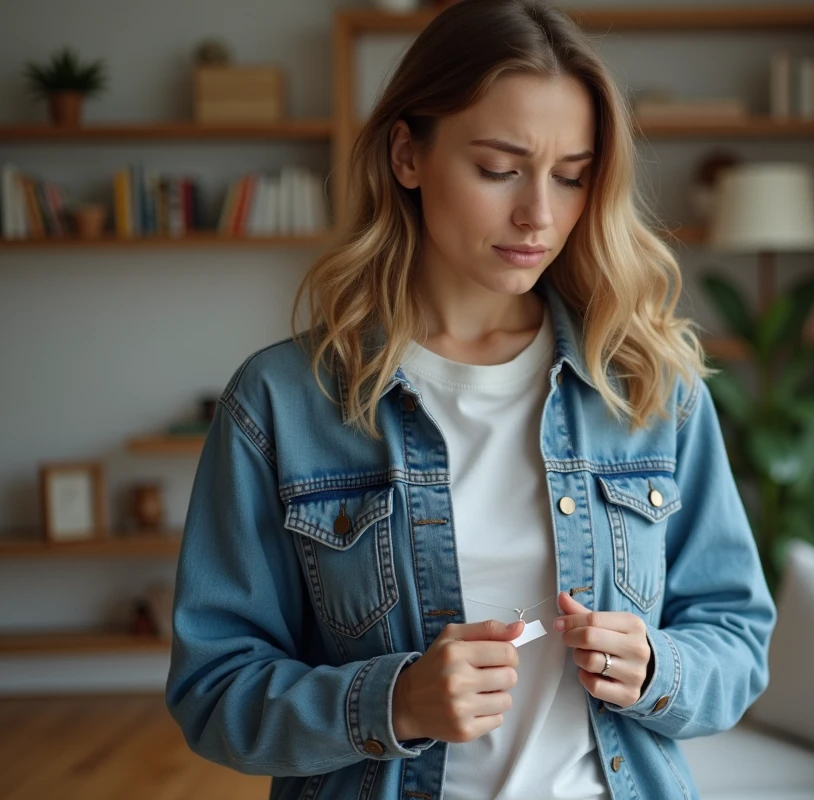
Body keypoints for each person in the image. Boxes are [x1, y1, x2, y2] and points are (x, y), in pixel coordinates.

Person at [165, 1, 775, 798]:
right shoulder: (282, 403)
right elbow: (214, 691)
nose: (540, 214)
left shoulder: (652, 390)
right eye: (498, 169)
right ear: (407, 154)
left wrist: (660, 666)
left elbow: (738, 639)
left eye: (572, 175)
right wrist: (397, 700)